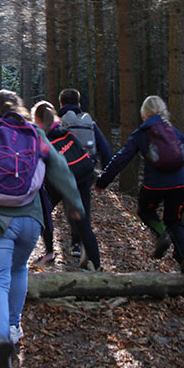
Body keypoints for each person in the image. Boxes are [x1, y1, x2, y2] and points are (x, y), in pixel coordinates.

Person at [0, 90, 85, 368]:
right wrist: (75, 205)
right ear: (20, 108)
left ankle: (0, 338)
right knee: (19, 270)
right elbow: (61, 170)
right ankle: (13, 329)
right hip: (30, 218)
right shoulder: (35, 133)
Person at [94, 95, 184, 273]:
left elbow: (121, 158)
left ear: (144, 114)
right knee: (176, 221)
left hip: (155, 185)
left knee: (145, 211)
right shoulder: (173, 131)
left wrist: (102, 181)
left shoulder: (142, 133)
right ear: (162, 112)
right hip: (180, 184)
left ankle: (162, 233)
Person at [31, 100, 101, 270]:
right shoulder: (66, 132)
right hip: (83, 176)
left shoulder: (41, 137)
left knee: (44, 212)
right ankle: (95, 264)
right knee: (83, 222)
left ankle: (49, 252)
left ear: (37, 119)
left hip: (59, 182)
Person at [56, 89, 113, 259]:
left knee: (67, 205)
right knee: (83, 207)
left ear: (61, 104)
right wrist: (104, 176)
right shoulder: (89, 123)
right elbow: (106, 151)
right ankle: (79, 245)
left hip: (65, 171)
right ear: (79, 104)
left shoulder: (58, 122)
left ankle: (53, 247)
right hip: (87, 171)